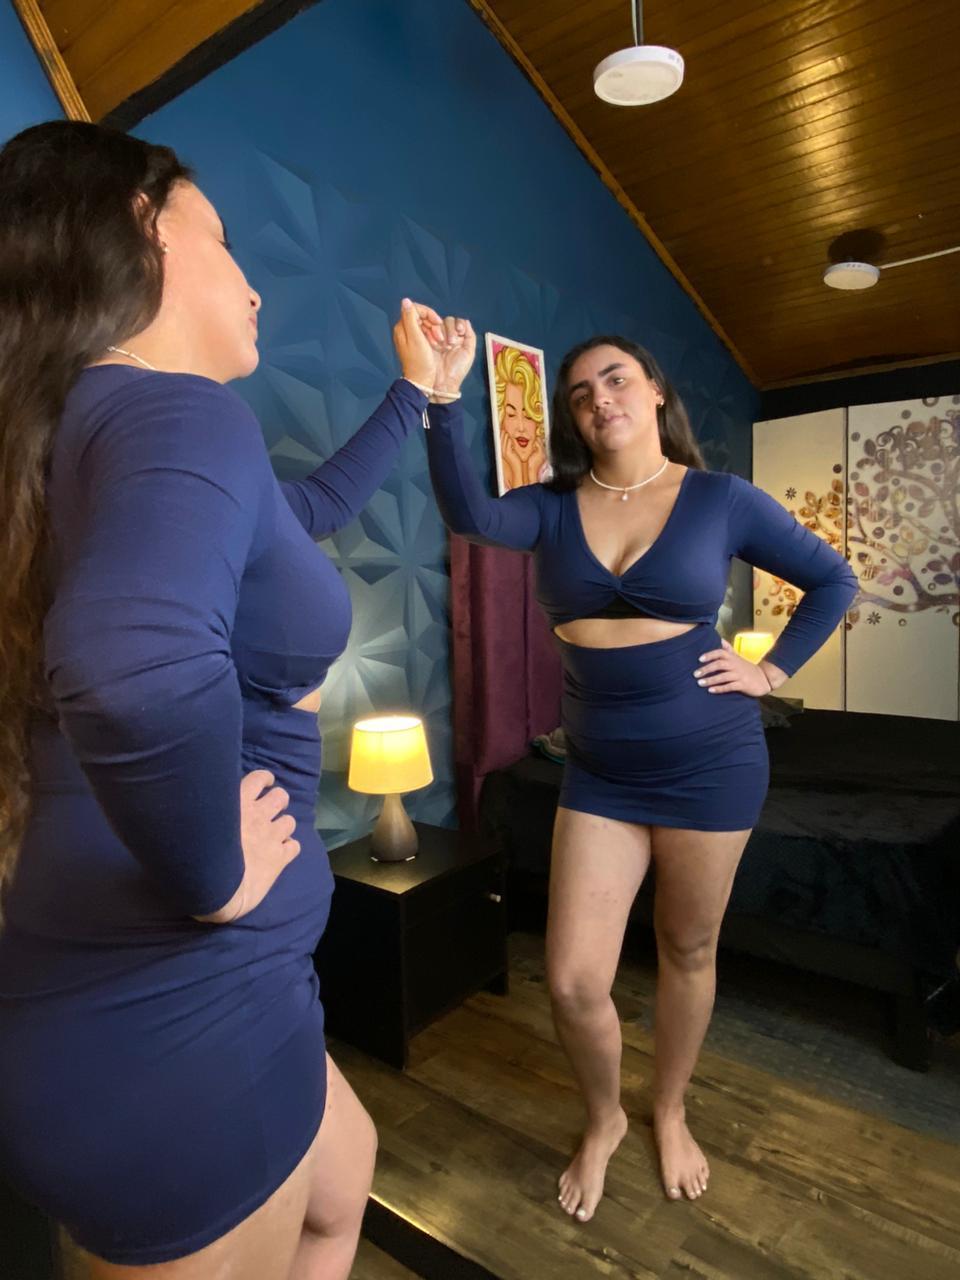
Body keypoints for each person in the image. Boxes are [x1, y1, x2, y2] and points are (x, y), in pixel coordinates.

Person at [0, 119, 446, 1278]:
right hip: (178, 1023)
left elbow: (302, 513)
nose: (253, 283)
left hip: (138, 1000)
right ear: (140, 226)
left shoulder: (75, 441)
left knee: (344, 1175)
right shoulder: (173, 413)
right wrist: (214, 872)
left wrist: (412, 395)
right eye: (225, 238)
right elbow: (130, 663)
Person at [420, 319, 859, 1220]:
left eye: (616, 379)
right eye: (580, 393)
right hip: (600, 774)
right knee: (574, 979)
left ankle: (671, 1108)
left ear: (655, 391)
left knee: (686, 948)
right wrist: (440, 396)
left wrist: (771, 671)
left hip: (713, 763)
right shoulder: (550, 508)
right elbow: (469, 516)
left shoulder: (720, 498)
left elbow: (833, 581)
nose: (599, 400)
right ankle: (605, 1117)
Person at [494, 345, 549, 490]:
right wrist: (516, 470)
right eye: (511, 414)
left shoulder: (546, 470)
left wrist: (531, 472)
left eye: (528, 416)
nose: (521, 427)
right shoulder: (502, 476)